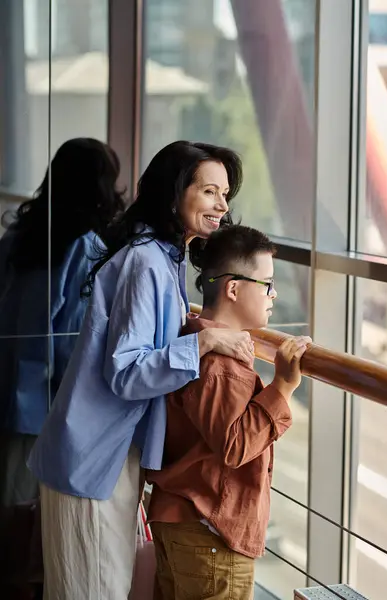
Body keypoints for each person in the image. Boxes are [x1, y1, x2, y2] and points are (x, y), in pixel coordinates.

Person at [27, 141, 254, 600]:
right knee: (93, 591)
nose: (221, 205)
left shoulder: (161, 259)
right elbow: (127, 374)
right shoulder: (146, 261)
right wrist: (206, 339)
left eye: (224, 194)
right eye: (209, 191)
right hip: (93, 459)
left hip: (104, 457)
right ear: (174, 195)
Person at [147, 224, 312, 600]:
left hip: (184, 524)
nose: (275, 293)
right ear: (233, 288)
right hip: (210, 535)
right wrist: (283, 387)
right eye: (267, 284)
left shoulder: (194, 340)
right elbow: (235, 446)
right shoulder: (221, 364)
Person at [0, 137, 124, 507]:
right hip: (45, 404)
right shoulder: (84, 248)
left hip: (8, 387)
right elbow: (73, 341)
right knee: (31, 518)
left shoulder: (18, 236)